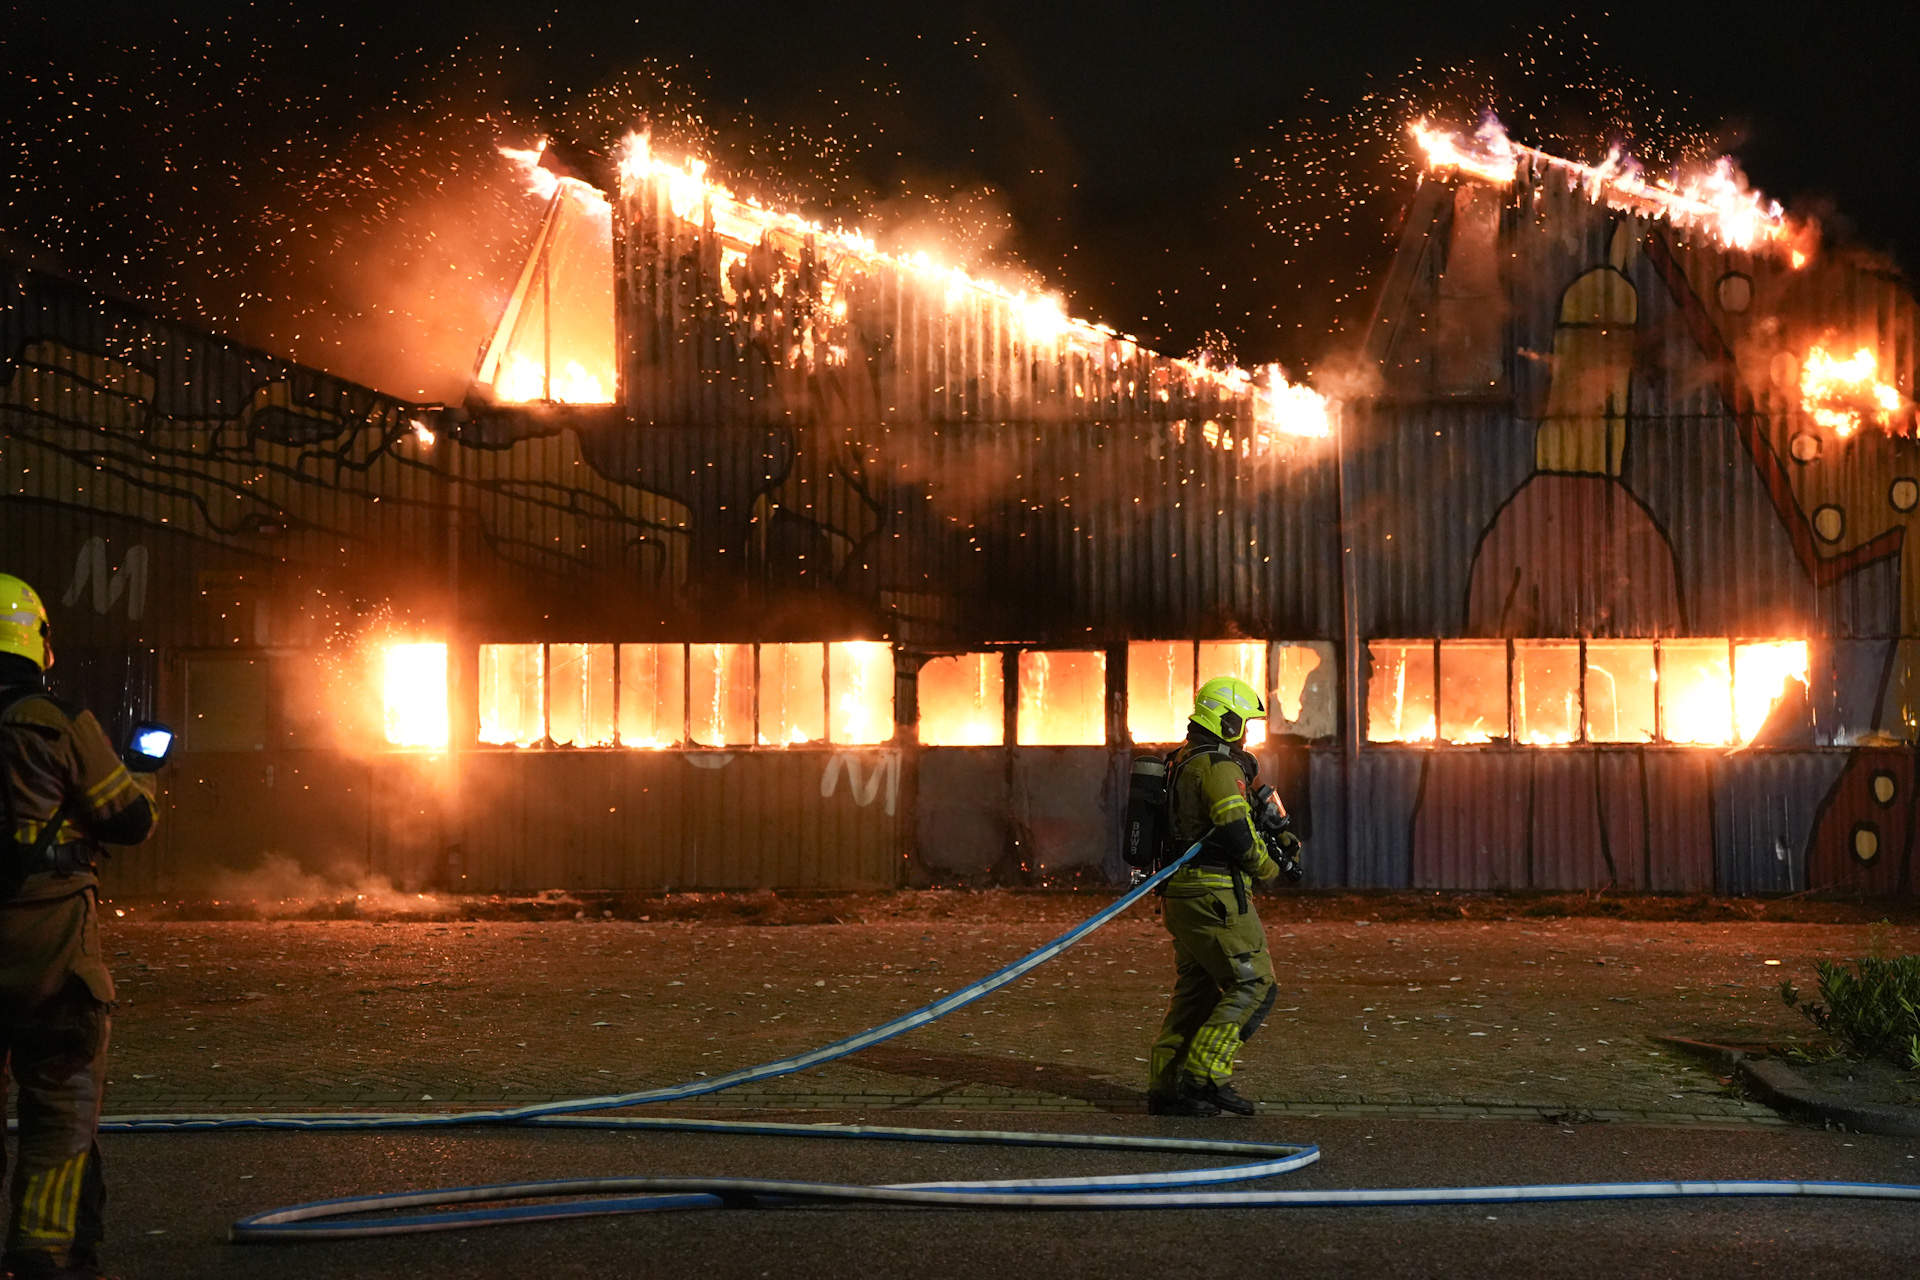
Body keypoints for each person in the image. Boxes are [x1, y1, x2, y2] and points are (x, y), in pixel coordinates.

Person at [0, 574, 157, 1279]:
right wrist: (145, 771)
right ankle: (46, 1257)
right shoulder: (54, 723)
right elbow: (128, 820)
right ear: (36, 643)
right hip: (50, 952)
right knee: (61, 1110)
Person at [1145, 675, 1299, 1117]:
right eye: (1243, 723)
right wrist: (1269, 867)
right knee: (1254, 983)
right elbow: (1235, 829)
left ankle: (1168, 1087)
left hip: (1183, 896)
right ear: (1225, 719)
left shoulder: (1185, 760)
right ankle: (1205, 1074)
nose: (1246, 733)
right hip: (1214, 897)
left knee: (1196, 991)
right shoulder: (1217, 766)